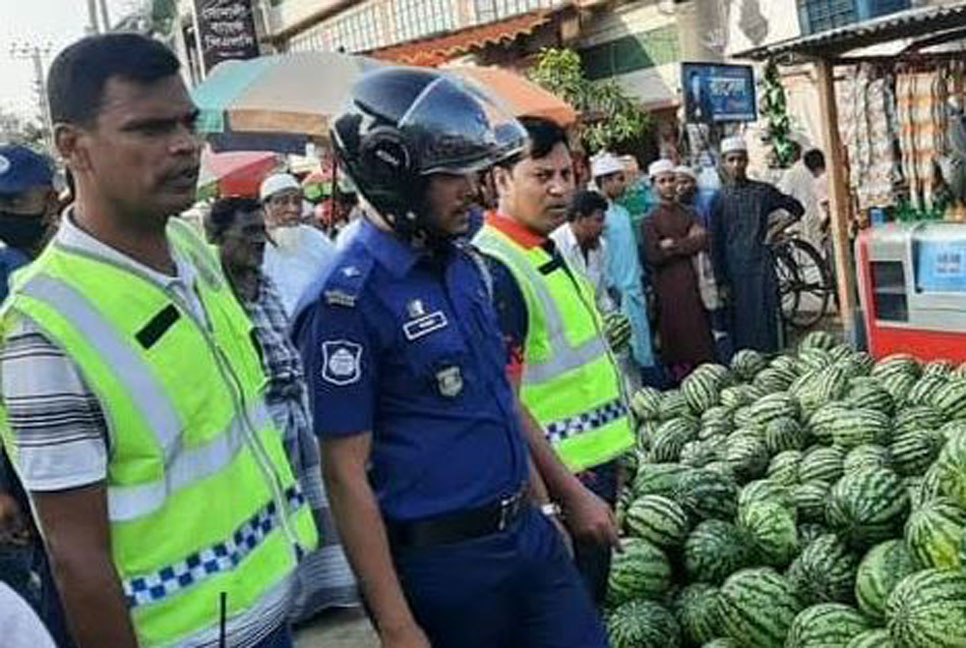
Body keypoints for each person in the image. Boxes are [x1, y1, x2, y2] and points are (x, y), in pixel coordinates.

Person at [0, 33, 317, 648]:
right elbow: (77, 559)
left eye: (187, 123)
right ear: (73, 147)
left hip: (274, 605)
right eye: (148, 129)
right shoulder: (42, 324)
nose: (184, 145)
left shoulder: (194, 251)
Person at [298, 68, 610, 648]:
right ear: (393, 174)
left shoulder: (464, 266)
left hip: (526, 537)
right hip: (446, 567)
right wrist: (395, 624)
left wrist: (561, 498)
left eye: (474, 170)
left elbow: (501, 401)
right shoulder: (347, 302)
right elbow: (345, 475)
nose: (473, 187)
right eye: (451, 174)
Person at [475, 117, 632, 605]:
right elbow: (505, 403)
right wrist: (557, 504)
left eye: (568, 174)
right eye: (542, 176)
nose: (561, 188)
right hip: (563, 487)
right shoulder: (498, 265)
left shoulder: (543, 248)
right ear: (500, 180)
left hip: (589, 474)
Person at [205, 197, 359, 623]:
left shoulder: (265, 282)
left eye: (262, 232)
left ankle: (323, 597)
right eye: (248, 234)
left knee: (314, 510)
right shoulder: (214, 294)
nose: (259, 243)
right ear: (217, 239)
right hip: (261, 418)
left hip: (297, 409)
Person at [711, 136, 804, 353]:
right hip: (733, 271)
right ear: (724, 162)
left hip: (762, 267)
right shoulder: (718, 200)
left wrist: (774, 231)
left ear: (747, 161)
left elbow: (797, 209)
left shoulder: (762, 192)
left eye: (740, 159)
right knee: (740, 325)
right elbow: (714, 243)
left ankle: (772, 364)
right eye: (731, 160)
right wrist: (721, 281)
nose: (736, 165)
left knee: (767, 320)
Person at [642, 160, 715, 381]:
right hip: (667, 288)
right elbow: (653, 255)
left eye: (671, 179)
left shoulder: (691, 213)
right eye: (662, 181)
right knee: (675, 340)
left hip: (693, 283)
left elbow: (702, 242)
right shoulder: (650, 221)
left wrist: (671, 244)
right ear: (654, 185)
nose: (668, 185)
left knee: (699, 335)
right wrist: (685, 242)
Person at [592, 151, 657, 387]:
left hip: (634, 288)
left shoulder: (622, 212)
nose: (623, 184)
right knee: (622, 354)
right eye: (618, 179)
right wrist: (610, 288)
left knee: (638, 354)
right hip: (616, 292)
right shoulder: (600, 217)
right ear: (605, 182)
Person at [260, 172, 339, 316]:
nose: (293, 209)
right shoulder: (256, 248)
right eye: (283, 202)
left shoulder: (315, 239)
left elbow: (338, 277)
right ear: (266, 207)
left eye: (297, 201)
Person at [549, 190, 614, 315]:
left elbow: (601, 294)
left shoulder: (601, 246)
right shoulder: (555, 247)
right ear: (579, 218)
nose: (604, 226)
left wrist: (613, 317)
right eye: (598, 220)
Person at [779, 146, 827, 248]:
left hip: (804, 220)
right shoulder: (817, 170)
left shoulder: (790, 174)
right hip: (817, 217)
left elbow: (783, 198)